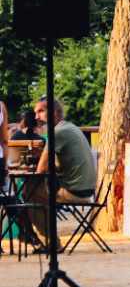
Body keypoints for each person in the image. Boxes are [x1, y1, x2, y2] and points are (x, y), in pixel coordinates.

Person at [19, 99, 97, 249]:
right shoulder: (69, 127)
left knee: (30, 193)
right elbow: (56, 164)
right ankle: (45, 240)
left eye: (40, 111)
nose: (35, 117)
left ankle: (51, 244)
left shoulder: (57, 132)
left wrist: (36, 160)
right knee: (35, 191)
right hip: (85, 189)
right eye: (35, 112)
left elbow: (41, 170)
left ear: (53, 113)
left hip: (75, 192)